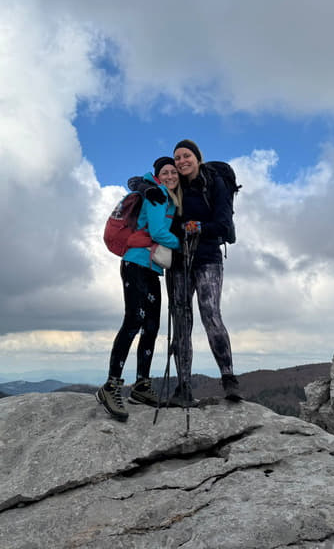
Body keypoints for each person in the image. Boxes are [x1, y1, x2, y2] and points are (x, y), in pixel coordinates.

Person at [96, 157, 182, 422]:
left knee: (151, 326)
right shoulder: (157, 195)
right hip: (136, 264)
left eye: (174, 172)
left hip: (150, 268)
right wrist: (183, 243)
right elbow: (157, 232)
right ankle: (111, 385)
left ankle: (141, 385)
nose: (170, 176)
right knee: (134, 321)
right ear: (157, 176)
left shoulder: (165, 196)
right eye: (165, 172)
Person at [167, 139, 241, 406]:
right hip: (178, 261)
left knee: (211, 315)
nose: (181, 161)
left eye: (186, 156)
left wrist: (196, 227)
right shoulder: (173, 185)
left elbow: (223, 224)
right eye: (177, 157)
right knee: (181, 322)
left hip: (207, 258)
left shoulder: (214, 183)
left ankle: (229, 379)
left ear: (198, 158)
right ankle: (183, 386)